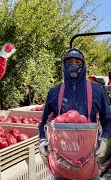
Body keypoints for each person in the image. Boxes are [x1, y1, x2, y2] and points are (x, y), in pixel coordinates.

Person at [38, 48, 111, 180]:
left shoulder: (96, 90)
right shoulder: (54, 91)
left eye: (77, 62)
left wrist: (104, 139)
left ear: (83, 65)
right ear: (64, 66)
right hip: (61, 158)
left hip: (87, 156)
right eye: (69, 62)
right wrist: (42, 139)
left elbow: (108, 120)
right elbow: (43, 122)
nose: (73, 65)